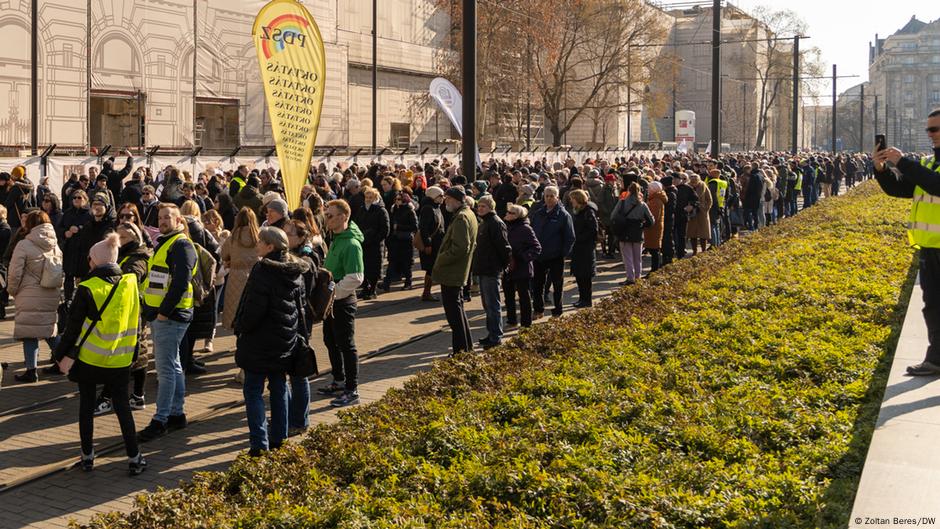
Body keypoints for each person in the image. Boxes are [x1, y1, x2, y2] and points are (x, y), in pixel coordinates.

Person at [52, 232, 146, 475]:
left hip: (90, 359)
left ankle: (87, 457)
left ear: (95, 260)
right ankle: (135, 457)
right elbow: (136, 323)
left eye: (90, 259)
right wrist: (135, 353)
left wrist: (59, 355)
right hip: (121, 359)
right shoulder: (130, 284)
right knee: (123, 409)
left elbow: (72, 329)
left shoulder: (87, 288)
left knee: (86, 408)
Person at [874, 108, 940, 376]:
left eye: (935, 129)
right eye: (929, 130)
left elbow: (937, 186)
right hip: (930, 247)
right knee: (933, 305)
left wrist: (902, 162)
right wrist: (881, 169)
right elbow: (901, 190)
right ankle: (935, 358)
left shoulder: (921, 167)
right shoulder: (926, 163)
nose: (930, 134)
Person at [234, 227, 306, 456]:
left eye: (260, 242)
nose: (256, 245)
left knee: (253, 391)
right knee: (279, 387)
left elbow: (253, 308)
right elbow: (300, 306)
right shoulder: (295, 269)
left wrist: (241, 327)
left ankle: (259, 445)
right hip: (284, 340)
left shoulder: (263, 270)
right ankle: (280, 440)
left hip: (259, 341)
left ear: (270, 246)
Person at [137, 204, 198, 442]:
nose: (162, 221)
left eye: (167, 218)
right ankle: (176, 413)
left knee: (165, 370)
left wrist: (163, 312)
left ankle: (160, 419)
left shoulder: (180, 245)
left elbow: (181, 283)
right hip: (165, 315)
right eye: (160, 217)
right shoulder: (165, 242)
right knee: (173, 366)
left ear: (179, 220)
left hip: (170, 317)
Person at [93, 222, 152, 416]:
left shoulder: (137, 258)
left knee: (129, 355)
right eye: (117, 236)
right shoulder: (124, 255)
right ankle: (136, 395)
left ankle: (112, 397)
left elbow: (132, 277)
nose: (118, 241)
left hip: (133, 313)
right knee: (135, 353)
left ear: (135, 239)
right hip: (126, 311)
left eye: (124, 237)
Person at [317, 199, 364, 407]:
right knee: (330, 340)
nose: (326, 219)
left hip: (342, 301)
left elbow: (356, 277)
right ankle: (338, 380)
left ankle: (352, 389)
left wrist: (333, 294)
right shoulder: (336, 238)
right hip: (332, 300)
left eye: (330, 215)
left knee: (346, 344)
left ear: (344, 217)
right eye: (326, 215)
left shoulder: (351, 243)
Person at [9, 211, 63, 382]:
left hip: (29, 293)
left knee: (29, 332)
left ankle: (31, 371)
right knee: (50, 330)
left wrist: (12, 290)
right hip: (51, 292)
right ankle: (67, 362)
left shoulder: (24, 244)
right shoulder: (55, 244)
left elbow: (15, 272)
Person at [432, 186, 478, 354]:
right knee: (458, 311)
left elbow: (460, 247)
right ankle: (466, 347)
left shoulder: (461, 218)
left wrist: (441, 258)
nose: (445, 202)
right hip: (457, 271)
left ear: (456, 200)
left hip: (453, 272)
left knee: (454, 315)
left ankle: (461, 350)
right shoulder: (467, 214)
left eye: (448, 199)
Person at [530, 186, 575, 319]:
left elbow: (570, 237)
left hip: (555, 256)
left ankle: (558, 309)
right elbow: (533, 231)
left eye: (551, 196)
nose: (549, 198)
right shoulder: (539, 213)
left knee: (557, 284)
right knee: (537, 284)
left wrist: (563, 253)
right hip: (539, 256)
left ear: (557, 198)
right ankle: (538, 309)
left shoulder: (563, 215)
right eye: (547, 196)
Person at [472, 195, 511, 348]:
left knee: (493, 304)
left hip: (491, 269)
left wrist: (502, 267)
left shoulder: (495, 223)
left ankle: (496, 337)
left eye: (484, 206)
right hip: (483, 268)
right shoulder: (485, 222)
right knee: (487, 305)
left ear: (491, 208)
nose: (480, 209)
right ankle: (491, 333)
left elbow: (504, 247)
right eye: (479, 206)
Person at [503, 203, 541, 327]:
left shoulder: (525, 228)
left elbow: (536, 248)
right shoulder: (504, 227)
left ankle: (526, 324)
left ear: (518, 215)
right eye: (508, 211)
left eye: (511, 213)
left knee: (523, 296)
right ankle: (512, 320)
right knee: (508, 296)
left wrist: (523, 257)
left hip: (522, 267)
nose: (507, 214)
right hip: (508, 266)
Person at [611, 182, 654, 286]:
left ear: (629, 190)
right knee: (637, 257)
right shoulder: (643, 204)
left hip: (624, 231)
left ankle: (630, 278)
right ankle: (638, 278)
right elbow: (651, 220)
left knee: (628, 258)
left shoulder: (622, 202)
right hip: (637, 232)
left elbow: (613, 216)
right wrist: (643, 226)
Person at [382, 190, 418, 292]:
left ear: (404, 200)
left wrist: (399, 227)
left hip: (406, 240)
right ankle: (386, 283)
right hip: (395, 239)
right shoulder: (394, 210)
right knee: (392, 262)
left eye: (399, 199)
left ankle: (408, 282)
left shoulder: (410, 211)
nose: (396, 201)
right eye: (396, 199)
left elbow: (414, 226)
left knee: (406, 263)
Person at [356, 187, 389, 299]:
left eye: (371, 197)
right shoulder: (362, 209)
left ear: (375, 198)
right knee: (363, 266)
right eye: (366, 197)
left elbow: (385, 229)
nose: (368, 199)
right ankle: (365, 288)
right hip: (363, 242)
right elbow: (357, 223)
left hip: (375, 245)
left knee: (374, 268)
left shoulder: (381, 210)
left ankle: (372, 289)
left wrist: (375, 240)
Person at [568, 189, 598, 307]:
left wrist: (578, 238)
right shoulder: (577, 211)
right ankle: (582, 298)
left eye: (572, 199)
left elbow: (593, 231)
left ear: (578, 199)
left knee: (585, 276)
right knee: (579, 275)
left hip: (585, 248)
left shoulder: (588, 212)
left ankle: (586, 300)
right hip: (578, 248)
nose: (571, 201)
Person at [417, 186, 445, 302]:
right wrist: (428, 244)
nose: (443, 198)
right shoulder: (428, 209)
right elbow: (424, 228)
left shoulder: (436, 207)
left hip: (437, 243)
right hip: (431, 244)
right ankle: (426, 292)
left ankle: (427, 292)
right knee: (430, 268)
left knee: (433, 268)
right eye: (440, 196)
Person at [644, 181, 668, 273]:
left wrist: (645, 220)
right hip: (655, 228)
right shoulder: (656, 198)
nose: (648, 190)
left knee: (654, 250)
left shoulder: (656, 200)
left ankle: (655, 270)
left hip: (654, 228)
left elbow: (654, 216)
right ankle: (655, 269)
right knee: (654, 249)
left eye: (649, 189)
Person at [686, 173, 712, 255]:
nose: (694, 183)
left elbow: (709, 199)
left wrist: (705, 208)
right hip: (691, 212)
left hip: (702, 212)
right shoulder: (687, 187)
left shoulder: (703, 186)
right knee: (692, 233)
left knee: (703, 233)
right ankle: (694, 251)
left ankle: (703, 250)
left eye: (695, 181)